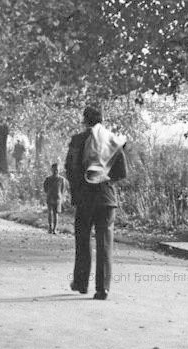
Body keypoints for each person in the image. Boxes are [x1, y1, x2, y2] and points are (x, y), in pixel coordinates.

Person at [65, 107, 127, 300]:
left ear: (84, 120)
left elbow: (70, 169)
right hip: (107, 198)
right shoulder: (112, 141)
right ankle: (103, 289)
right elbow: (121, 172)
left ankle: (81, 283)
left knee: (83, 241)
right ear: (102, 120)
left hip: (85, 198)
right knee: (105, 244)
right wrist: (105, 178)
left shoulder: (77, 140)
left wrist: (78, 189)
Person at [43, 163, 67, 234]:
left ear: (59, 170)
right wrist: (49, 193)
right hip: (50, 197)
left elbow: (63, 189)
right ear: (51, 170)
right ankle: (50, 228)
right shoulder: (48, 179)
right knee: (50, 213)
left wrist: (61, 196)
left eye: (57, 169)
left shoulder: (62, 179)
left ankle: (54, 229)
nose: (56, 171)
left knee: (55, 213)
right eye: (54, 169)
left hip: (57, 198)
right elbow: (45, 188)